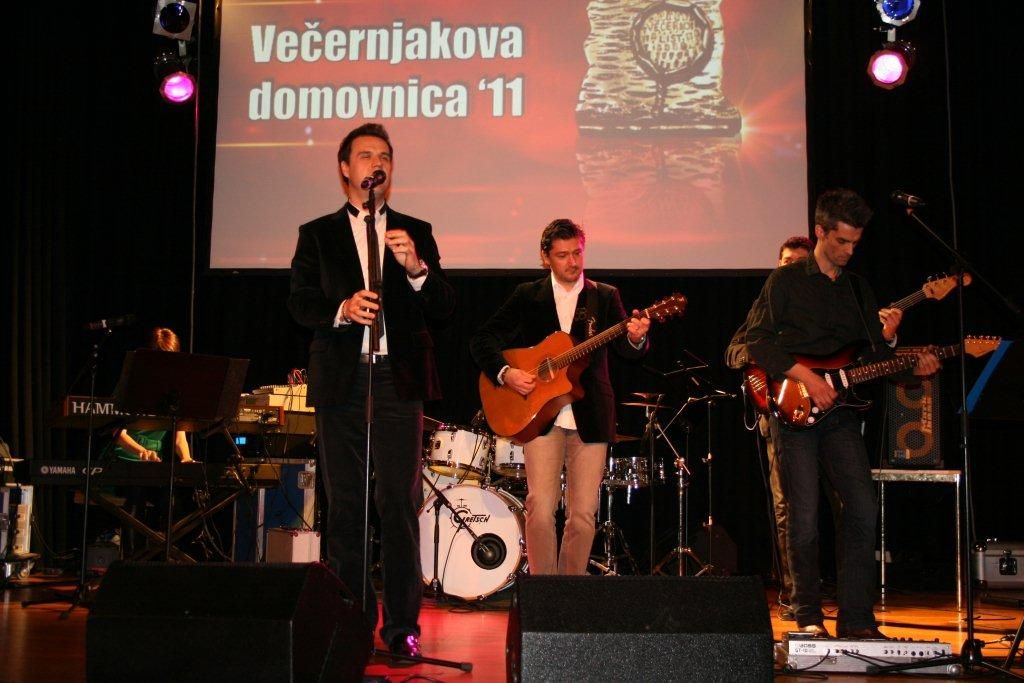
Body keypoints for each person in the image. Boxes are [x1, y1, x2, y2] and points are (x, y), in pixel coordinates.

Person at [287, 122, 455, 659]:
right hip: (343, 377)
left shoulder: (413, 231)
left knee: (398, 501)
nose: (376, 163)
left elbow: (444, 306)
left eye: (384, 155)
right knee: (346, 504)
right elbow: (299, 302)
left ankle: (402, 627)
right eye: (365, 155)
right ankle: (352, 623)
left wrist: (417, 269)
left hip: (397, 378)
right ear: (345, 168)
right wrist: (341, 309)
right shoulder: (318, 233)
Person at [745, 189, 939, 640]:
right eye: (842, 241)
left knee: (862, 508)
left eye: (855, 243)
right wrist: (808, 379)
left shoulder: (857, 288)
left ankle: (857, 620)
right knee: (804, 515)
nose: (850, 251)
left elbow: (873, 357)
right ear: (820, 232)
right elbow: (757, 341)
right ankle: (808, 616)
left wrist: (907, 362)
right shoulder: (785, 281)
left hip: (841, 414)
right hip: (794, 408)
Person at [470, 219, 650, 576]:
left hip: (590, 415)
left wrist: (636, 338)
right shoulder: (528, 295)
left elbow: (627, 351)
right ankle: (543, 591)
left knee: (582, 514)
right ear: (546, 258)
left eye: (577, 253)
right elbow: (482, 339)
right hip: (540, 417)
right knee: (540, 507)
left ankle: (570, 592)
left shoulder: (604, 296)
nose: (572, 262)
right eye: (563, 255)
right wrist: (507, 373)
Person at [725, 235, 811, 619]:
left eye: (800, 263)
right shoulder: (765, 307)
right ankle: (795, 594)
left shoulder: (828, 305)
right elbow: (733, 351)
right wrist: (764, 359)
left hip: (827, 416)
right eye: (786, 262)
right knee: (785, 507)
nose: (791, 268)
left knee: (838, 503)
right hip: (779, 417)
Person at [112, 327, 193, 464]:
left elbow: (180, 438)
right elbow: (118, 433)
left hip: (153, 460)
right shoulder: (131, 384)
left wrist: (186, 458)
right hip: (120, 458)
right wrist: (142, 452)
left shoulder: (174, 391)